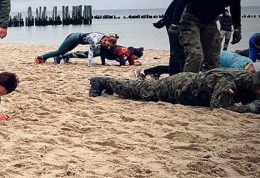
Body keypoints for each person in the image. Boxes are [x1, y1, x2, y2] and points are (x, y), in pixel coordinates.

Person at [169, 0, 244, 73]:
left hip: (210, 22)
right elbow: (183, 0)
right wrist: (175, 23)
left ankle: (208, 87)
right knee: (196, 56)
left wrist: (237, 28)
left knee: (213, 59)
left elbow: (235, 6)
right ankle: (186, 87)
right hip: (190, 20)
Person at [89, 69, 259, 114]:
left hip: (186, 85)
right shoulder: (228, 82)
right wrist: (251, 108)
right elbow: (220, 109)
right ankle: (102, 81)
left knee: (142, 89)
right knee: (141, 91)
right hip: (177, 88)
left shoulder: (246, 80)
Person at [152, 0, 188, 76]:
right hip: (173, 22)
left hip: (179, 22)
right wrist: (165, 21)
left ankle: (179, 74)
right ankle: (174, 76)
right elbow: (169, 12)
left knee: (182, 52)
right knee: (177, 52)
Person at [35, 33, 117, 66]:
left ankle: (57, 58)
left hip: (77, 41)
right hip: (74, 38)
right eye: (108, 45)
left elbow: (102, 53)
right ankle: (41, 57)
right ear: (107, 40)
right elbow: (90, 53)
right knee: (60, 51)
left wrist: (103, 64)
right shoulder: (95, 40)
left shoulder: (103, 40)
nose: (108, 47)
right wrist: (90, 65)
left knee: (64, 51)